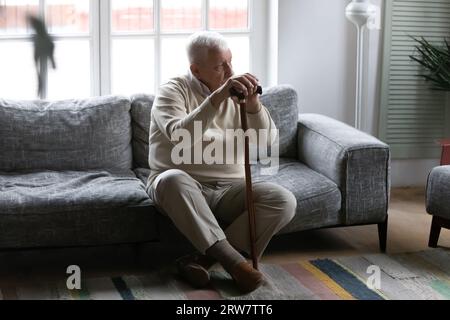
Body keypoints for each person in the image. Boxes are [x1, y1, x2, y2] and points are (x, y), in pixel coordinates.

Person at [146, 31, 296, 293]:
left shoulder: (238, 95)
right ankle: (236, 263)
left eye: (230, 62)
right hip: (184, 186)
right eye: (219, 66)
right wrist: (217, 97)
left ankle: (201, 260)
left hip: (230, 189)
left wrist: (253, 104)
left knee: (284, 200)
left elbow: (268, 140)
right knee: (172, 179)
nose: (230, 71)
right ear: (196, 69)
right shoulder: (173, 91)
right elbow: (181, 136)